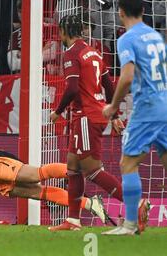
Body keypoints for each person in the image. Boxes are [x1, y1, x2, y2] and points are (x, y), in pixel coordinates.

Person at [48, 14, 127, 231]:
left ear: (64, 31)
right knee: (73, 167)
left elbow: (72, 88)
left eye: (60, 31)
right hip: (95, 114)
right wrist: (115, 115)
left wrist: (57, 112)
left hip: (86, 116)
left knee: (91, 170)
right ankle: (73, 220)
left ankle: (135, 204)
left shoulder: (71, 54)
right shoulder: (94, 52)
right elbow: (109, 85)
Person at [102, 0, 167, 235]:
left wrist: (113, 106)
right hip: (165, 104)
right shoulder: (156, 36)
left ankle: (129, 224)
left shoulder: (127, 39)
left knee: (128, 163)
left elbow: (127, 76)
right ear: (142, 10)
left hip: (148, 108)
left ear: (120, 11)